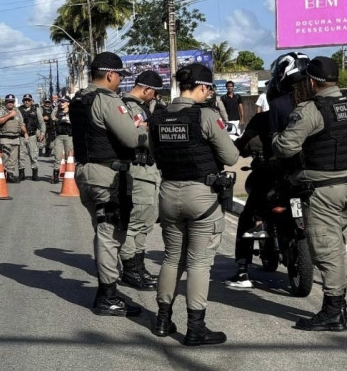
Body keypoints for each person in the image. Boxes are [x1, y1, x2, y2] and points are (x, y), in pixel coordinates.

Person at [147, 63, 239, 345]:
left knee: (172, 257)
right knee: (199, 263)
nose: (210, 92)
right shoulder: (206, 116)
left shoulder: (158, 116)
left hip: (168, 193)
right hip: (201, 195)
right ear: (202, 87)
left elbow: (153, 153)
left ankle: (163, 320)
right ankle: (196, 328)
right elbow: (232, 156)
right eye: (209, 88)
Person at [272, 57, 347, 331]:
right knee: (343, 248)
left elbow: (286, 148)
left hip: (324, 191)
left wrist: (275, 140)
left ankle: (333, 312)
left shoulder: (311, 110)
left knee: (328, 252)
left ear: (312, 81)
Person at [226, 52, 310, 288]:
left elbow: (240, 147)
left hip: (271, 176)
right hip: (306, 175)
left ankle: (242, 271)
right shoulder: (314, 109)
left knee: (248, 217)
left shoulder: (269, 115)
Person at [70, 52, 143, 316]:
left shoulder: (79, 99)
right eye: (119, 76)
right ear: (110, 74)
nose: (120, 81)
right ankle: (109, 296)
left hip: (85, 173)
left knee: (102, 230)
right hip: (106, 176)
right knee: (110, 234)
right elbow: (132, 139)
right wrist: (141, 128)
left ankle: (106, 292)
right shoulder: (107, 100)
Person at [119, 70, 165, 292]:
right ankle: (129, 268)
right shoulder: (129, 107)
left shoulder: (142, 107)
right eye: (154, 93)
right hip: (138, 170)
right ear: (146, 89)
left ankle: (138, 265)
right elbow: (138, 136)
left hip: (149, 170)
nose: (155, 97)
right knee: (135, 221)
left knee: (146, 220)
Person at [0, 94, 26, 183]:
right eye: (8, 101)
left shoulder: (17, 111)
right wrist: (9, 116)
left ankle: (10, 175)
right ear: (6, 102)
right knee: (5, 157)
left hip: (16, 138)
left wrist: (25, 132)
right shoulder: (2, 111)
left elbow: (22, 123)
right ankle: (1, 174)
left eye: (12, 102)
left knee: (13, 158)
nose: (10, 103)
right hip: (5, 138)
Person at [18, 93, 43, 181]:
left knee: (33, 155)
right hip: (21, 136)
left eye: (28, 100)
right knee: (21, 156)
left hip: (32, 135)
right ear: (23, 101)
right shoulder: (19, 110)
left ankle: (35, 174)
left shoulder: (36, 109)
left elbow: (41, 122)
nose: (27, 102)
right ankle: (21, 174)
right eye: (25, 100)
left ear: (31, 101)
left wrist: (42, 133)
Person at [50, 97, 73, 184]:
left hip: (69, 136)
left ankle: (69, 175)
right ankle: (55, 176)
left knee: (69, 157)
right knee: (57, 156)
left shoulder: (72, 111)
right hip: (59, 136)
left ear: (68, 103)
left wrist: (68, 120)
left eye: (63, 102)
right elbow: (52, 117)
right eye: (60, 102)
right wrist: (59, 118)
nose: (61, 103)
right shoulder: (57, 111)